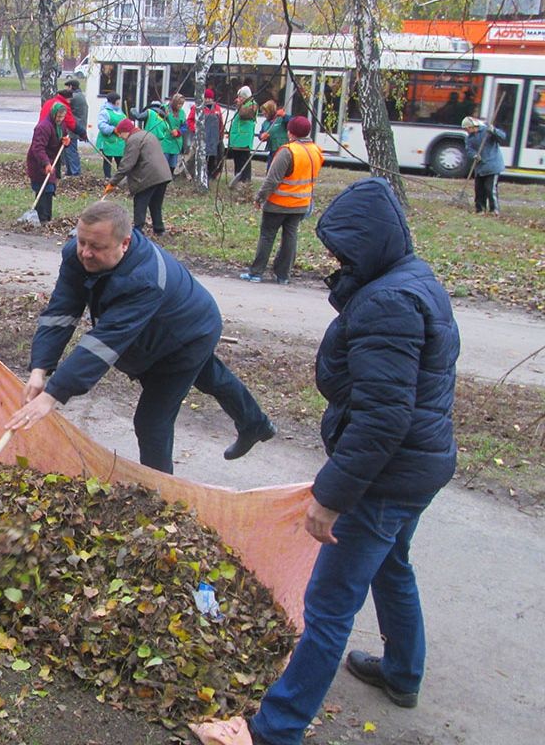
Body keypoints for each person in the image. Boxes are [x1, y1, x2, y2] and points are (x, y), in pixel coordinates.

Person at [189, 177, 460, 745]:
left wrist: (332, 496)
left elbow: (384, 418)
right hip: (421, 464)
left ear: (371, 244)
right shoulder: (412, 278)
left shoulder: (389, 301)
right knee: (393, 566)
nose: (334, 259)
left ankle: (276, 728)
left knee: (330, 603)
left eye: (342, 250)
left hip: (386, 475)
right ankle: (403, 673)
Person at [6, 201, 276, 475]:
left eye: (96, 247)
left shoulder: (143, 279)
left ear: (124, 243)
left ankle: (162, 498)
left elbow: (105, 342)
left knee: (151, 421)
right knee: (208, 374)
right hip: (163, 326)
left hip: (188, 334)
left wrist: (53, 395)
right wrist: (40, 369)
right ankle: (254, 423)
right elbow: (61, 311)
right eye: (81, 241)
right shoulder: (78, 255)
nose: (85, 253)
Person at [240, 116, 323, 285]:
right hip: (301, 204)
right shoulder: (316, 151)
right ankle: (283, 275)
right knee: (290, 237)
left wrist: (260, 197)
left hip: (279, 203)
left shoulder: (288, 151)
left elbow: (272, 179)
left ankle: (256, 272)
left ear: (291, 132)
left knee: (267, 236)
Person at [105, 117, 171, 235]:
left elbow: (127, 164)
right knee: (156, 203)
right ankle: (159, 229)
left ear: (126, 131)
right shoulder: (147, 134)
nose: (120, 136)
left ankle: (137, 231)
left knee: (140, 202)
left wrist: (112, 182)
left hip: (148, 176)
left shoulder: (134, 140)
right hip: (163, 174)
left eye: (120, 133)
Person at [27, 103, 70, 223]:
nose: (60, 119)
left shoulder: (61, 125)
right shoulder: (43, 127)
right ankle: (41, 217)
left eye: (62, 117)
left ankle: (46, 217)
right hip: (38, 161)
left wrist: (66, 141)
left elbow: (63, 138)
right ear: (53, 114)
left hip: (51, 160)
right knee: (42, 187)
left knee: (50, 188)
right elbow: (38, 148)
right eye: (58, 117)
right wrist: (45, 163)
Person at [462, 115, 507, 215]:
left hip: (493, 165)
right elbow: (469, 150)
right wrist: (474, 155)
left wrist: (494, 131)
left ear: (473, 126)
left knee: (490, 188)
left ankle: (494, 209)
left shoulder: (487, 131)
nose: (467, 131)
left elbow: (502, 137)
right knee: (479, 189)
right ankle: (480, 209)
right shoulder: (469, 138)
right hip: (480, 168)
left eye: (467, 129)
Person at [188, 88, 225, 180]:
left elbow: (220, 122)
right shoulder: (197, 107)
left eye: (210, 98)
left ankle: (211, 175)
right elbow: (190, 120)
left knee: (214, 157)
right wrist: (196, 130)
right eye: (206, 98)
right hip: (201, 137)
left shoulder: (217, 108)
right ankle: (199, 175)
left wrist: (221, 134)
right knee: (200, 157)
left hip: (214, 138)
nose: (208, 100)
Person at [227, 86, 258, 188]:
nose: (238, 99)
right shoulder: (245, 104)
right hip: (237, 140)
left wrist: (239, 105)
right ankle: (238, 180)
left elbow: (243, 114)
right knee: (237, 161)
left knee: (244, 161)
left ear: (245, 97)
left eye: (240, 97)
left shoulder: (252, 105)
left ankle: (245, 181)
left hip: (244, 139)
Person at [95, 91, 126, 179]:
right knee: (108, 161)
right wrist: (113, 129)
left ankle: (120, 178)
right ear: (113, 102)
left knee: (120, 160)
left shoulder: (120, 112)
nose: (118, 104)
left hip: (119, 142)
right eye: (117, 102)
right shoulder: (105, 112)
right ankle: (107, 177)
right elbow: (101, 125)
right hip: (108, 142)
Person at [64, 77, 89, 176]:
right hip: (78, 126)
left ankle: (75, 172)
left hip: (73, 128)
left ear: (71, 87)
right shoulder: (81, 95)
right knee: (68, 150)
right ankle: (70, 171)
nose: (66, 90)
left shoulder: (73, 97)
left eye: (67, 87)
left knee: (71, 151)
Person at [159, 93, 188, 173]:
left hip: (176, 142)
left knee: (173, 164)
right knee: (164, 163)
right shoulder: (165, 109)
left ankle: (170, 177)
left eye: (182, 104)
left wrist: (178, 132)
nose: (180, 106)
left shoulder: (182, 113)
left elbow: (185, 126)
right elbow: (159, 121)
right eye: (179, 104)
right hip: (165, 140)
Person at [258, 100, 290, 166]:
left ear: (270, 111)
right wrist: (261, 136)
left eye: (265, 113)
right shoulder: (265, 123)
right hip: (272, 151)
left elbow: (292, 122)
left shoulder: (281, 119)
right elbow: (261, 133)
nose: (264, 115)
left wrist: (284, 116)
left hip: (282, 150)